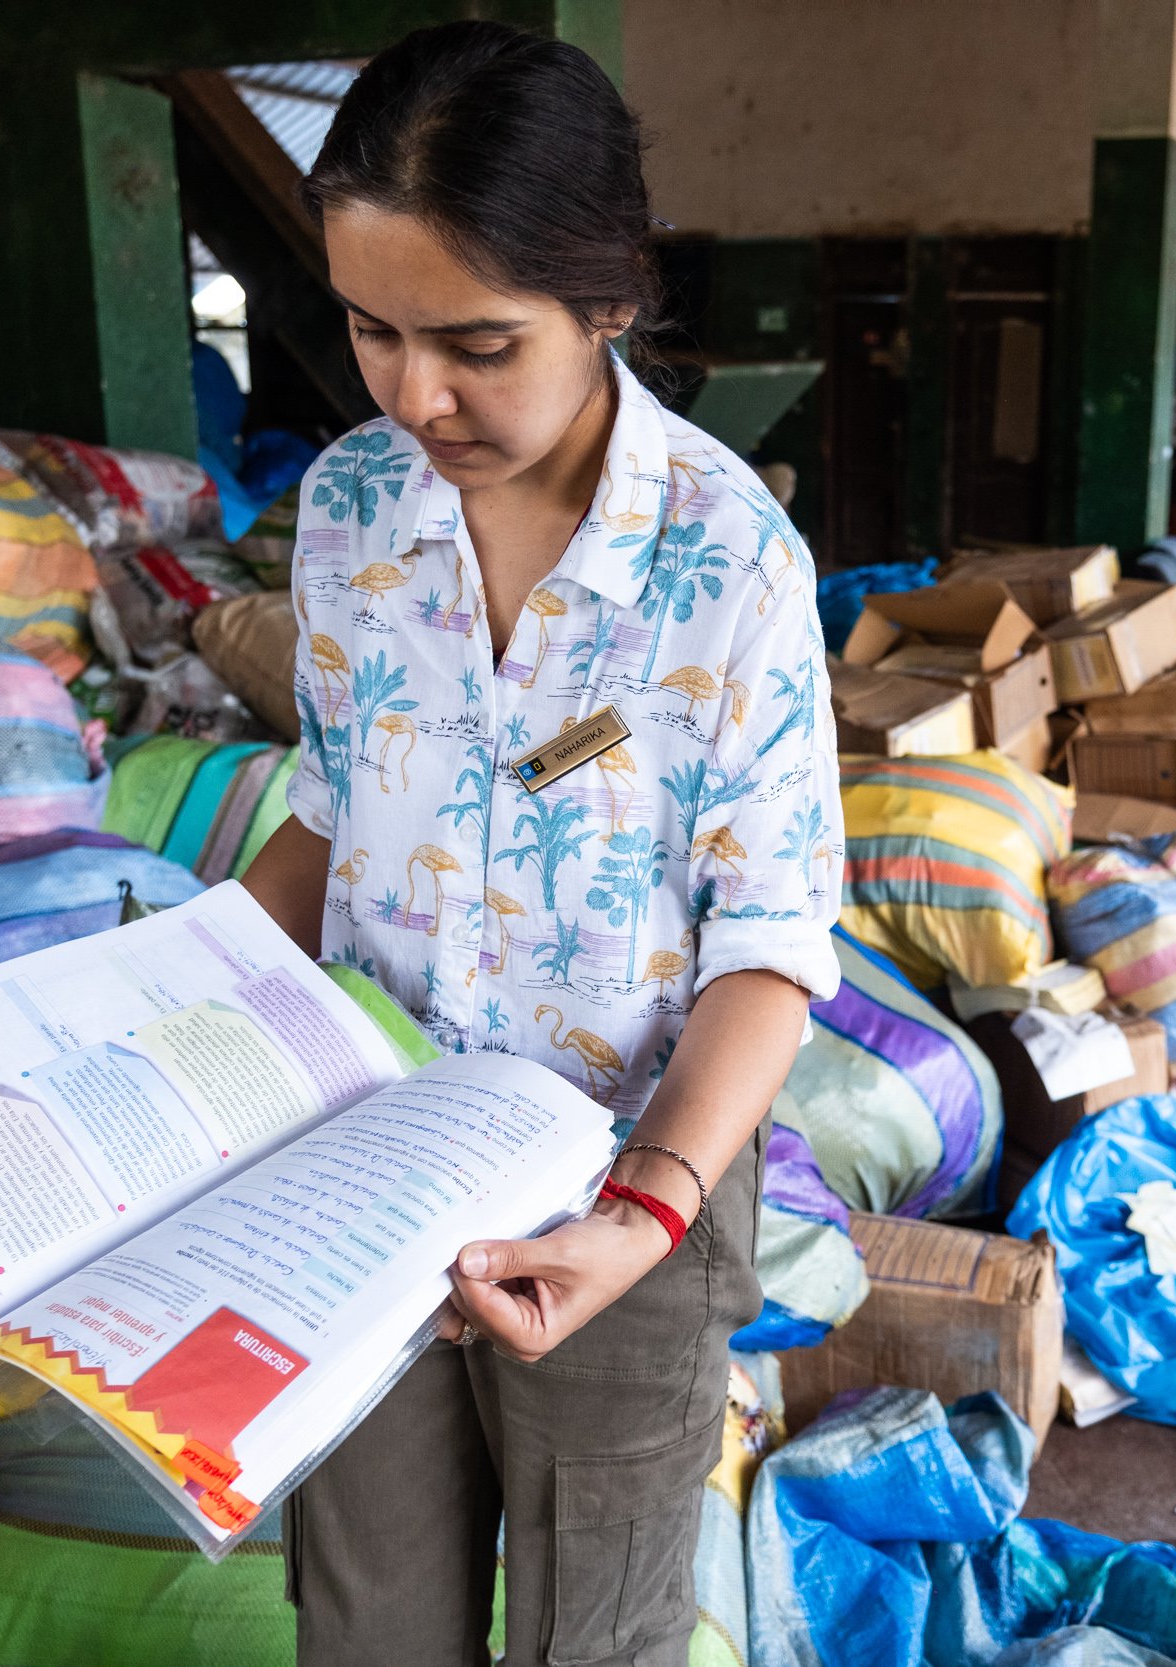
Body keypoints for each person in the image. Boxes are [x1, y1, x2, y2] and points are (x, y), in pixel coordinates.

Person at [236, 23, 841, 1666]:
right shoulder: (353, 510)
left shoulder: (728, 560)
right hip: (370, 1161)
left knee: (596, 1634)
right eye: (371, 329)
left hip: (623, 1188)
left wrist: (639, 1217)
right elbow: (329, 820)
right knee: (366, 1624)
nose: (414, 395)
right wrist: (172, 1020)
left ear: (609, 302)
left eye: (478, 344)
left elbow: (770, 945)